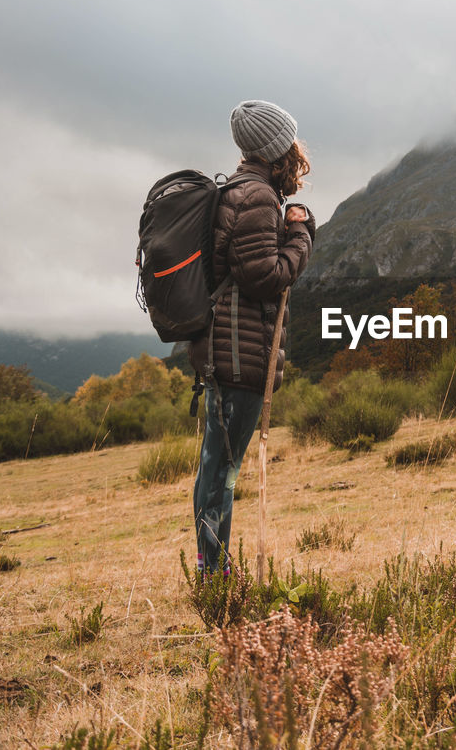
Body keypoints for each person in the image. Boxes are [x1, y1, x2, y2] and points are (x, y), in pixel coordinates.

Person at [189, 99, 315, 578]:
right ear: (277, 148)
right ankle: (214, 576)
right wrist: (300, 233)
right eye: (291, 141)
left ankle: (210, 570)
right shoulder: (258, 198)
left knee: (214, 468)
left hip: (224, 350)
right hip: (239, 356)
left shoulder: (238, 190)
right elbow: (268, 277)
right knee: (222, 471)